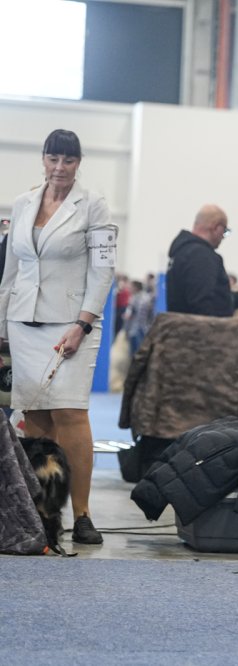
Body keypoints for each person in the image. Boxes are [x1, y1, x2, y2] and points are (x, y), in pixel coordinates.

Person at [0, 129, 117, 545]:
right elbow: (10, 273)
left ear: (78, 163)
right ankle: (44, 512)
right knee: (35, 419)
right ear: (43, 159)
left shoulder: (94, 205)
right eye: (53, 159)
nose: (60, 168)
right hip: (23, 323)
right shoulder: (23, 203)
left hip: (71, 324)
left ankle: (82, 513)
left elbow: (103, 271)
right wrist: (1, 330)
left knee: (70, 413)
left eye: (68, 160)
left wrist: (82, 324)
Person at [166, 205, 238, 316]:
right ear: (217, 227)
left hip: (181, 324)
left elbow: (216, 297)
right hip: (198, 326)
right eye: (225, 231)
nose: (223, 237)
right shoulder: (202, 256)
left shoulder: (182, 252)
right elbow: (204, 306)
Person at [123, 279, 155, 355]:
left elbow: (131, 315)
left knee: (136, 353)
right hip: (142, 329)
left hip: (137, 330)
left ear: (135, 288)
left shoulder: (136, 299)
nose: (129, 289)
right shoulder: (146, 297)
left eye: (131, 287)